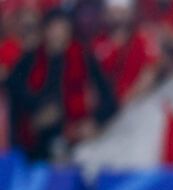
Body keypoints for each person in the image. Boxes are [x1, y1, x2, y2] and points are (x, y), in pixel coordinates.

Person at [7, 7, 117, 161]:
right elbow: (13, 89)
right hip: (37, 140)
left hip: (76, 138)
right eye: (53, 29)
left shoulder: (84, 59)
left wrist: (94, 122)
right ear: (44, 31)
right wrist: (38, 110)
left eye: (62, 30)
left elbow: (110, 100)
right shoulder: (30, 60)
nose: (57, 35)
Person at [92, 0, 160, 105]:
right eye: (113, 12)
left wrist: (132, 95)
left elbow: (152, 69)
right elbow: (101, 79)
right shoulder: (99, 43)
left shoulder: (143, 36)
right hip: (116, 105)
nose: (117, 16)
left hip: (146, 98)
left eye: (121, 12)